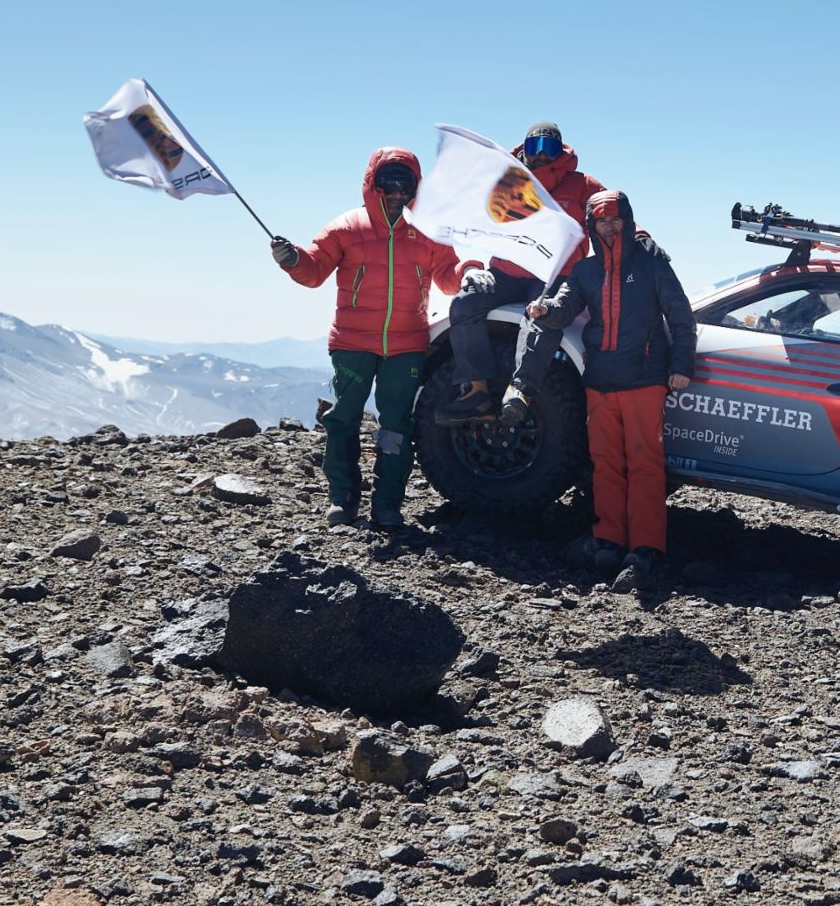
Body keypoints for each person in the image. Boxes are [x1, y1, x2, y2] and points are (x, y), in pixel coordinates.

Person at [269, 149, 471, 528]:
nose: (396, 193)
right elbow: (314, 269)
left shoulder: (428, 231)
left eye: (405, 185)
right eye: (388, 184)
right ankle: (343, 499)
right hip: (352, 344)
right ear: (373, 185)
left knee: (396, 425)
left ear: (415, 188)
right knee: (342, 419)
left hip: (406, 345)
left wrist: (469, 272)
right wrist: (293, 259)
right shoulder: (347, 228)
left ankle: (387, 504)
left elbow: (448, 275)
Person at [512, 190, 696, 587]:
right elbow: (565, 307)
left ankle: (645, 547)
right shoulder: (586, 271)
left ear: (627, 222)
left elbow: (681, 317)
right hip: (600, 382)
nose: (609, 227)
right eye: (601, 221)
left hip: (645, 381)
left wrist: (682, 365)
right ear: (591, 227)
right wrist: (545, 310)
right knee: (605, 463)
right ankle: (609, 539)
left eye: (615, 220)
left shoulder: (652, 263)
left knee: (645, 464)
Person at [433, 121, 607, 425]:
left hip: (554, 274)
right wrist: (472, 266)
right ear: (524, 148)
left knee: (543, 313)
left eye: (549, 147)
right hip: (507, 271)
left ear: (561, 150)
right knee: (465, 303)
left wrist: (639, 237)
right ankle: (476, 391)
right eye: (534, 146)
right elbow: (476, 221)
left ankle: (521, 390)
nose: (542, 154)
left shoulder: (582, 185)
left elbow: (610, 213)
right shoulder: (508, 181)